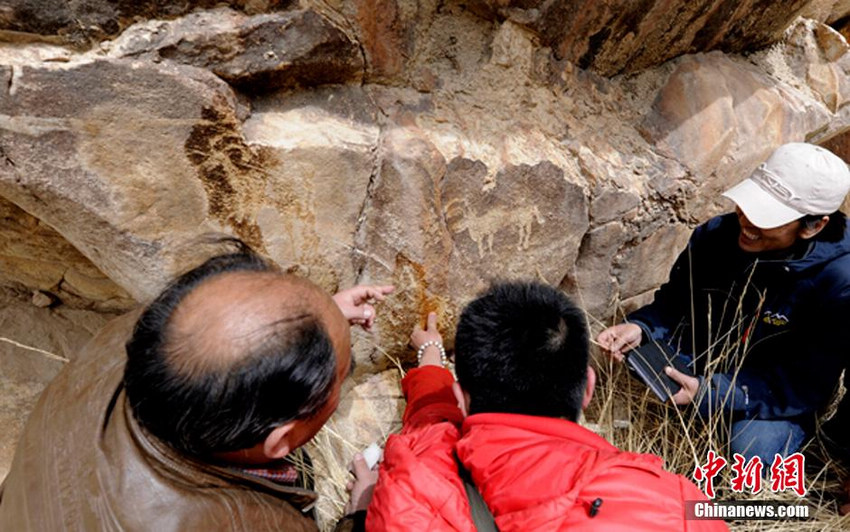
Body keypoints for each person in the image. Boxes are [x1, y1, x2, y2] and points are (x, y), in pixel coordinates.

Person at [0, 241, 392, 531]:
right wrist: (359, 516)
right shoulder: (249, 525)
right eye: (341, 376)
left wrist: (316, 317)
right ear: (281, 440)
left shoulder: (145, 339)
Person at [366, 281, 726, 531]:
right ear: (587, 388)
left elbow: (431, 432)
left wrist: (432, 359)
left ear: (460, 398)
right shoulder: (678, 501)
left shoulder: (410, 492)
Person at [597, 142, 850, 469]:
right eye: (749, 204)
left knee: (753, 453)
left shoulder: (841, 283)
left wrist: (713, 394)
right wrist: (641, 327)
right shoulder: (717, 235)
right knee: (638, 362)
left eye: (767, 216)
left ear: (814, 225)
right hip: (702, 363)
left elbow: (803, 383)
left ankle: (801, 449)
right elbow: (675, 302)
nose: (746, 220)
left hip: (775, 394)